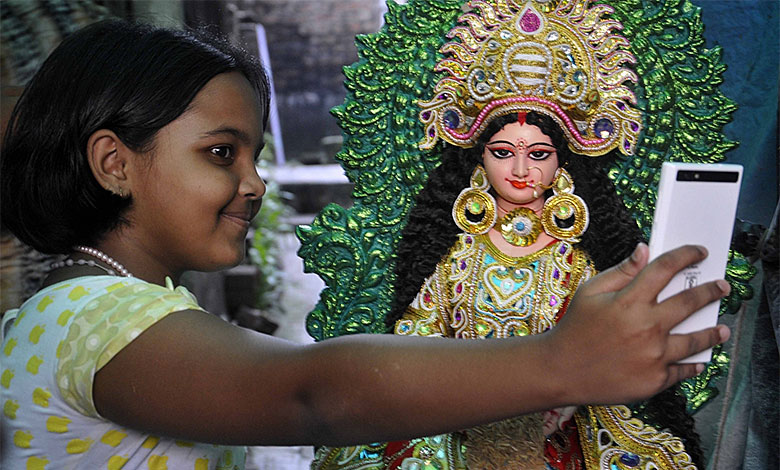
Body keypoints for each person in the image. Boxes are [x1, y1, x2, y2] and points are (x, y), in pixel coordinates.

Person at [0, 18, 729, 470]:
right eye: (222, 153)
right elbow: (314, 394)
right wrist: (557, 362)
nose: (253, 183)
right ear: (112, 162)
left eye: (255, 156)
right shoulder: (91, 320)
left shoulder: (112, 308)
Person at [311, 2, 710, 469]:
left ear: (564, 163)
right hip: (452, 425)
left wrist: (571, 390)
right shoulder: (458, 255)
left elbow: (608, 348)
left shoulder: (578, 263)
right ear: (479, 159)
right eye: (503, 152)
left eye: (539, 153)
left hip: (562, 431)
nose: (521, 170)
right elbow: (413, 340)